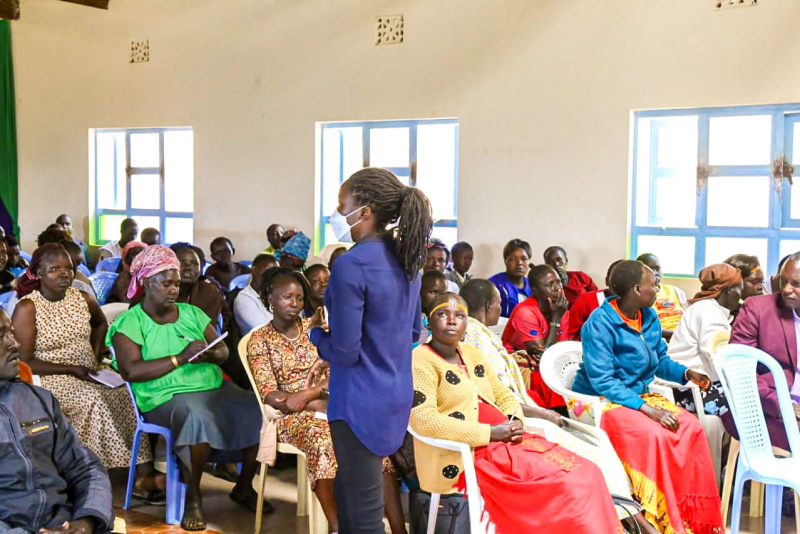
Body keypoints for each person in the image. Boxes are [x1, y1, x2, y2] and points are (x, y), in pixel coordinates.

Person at [410, 293, 623, 534]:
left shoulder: (470, 353)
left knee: (588, 472)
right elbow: (423, 420)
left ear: (466, 322)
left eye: (459, 315)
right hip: (468, 453)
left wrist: (513, 421)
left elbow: (505, 396)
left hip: (508, 442)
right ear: (428, 321)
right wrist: (489, 433)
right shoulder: (420, 361)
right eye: (442, 314)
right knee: (567, 484)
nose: (451, 321)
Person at [108, 245, 266, 531]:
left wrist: (211, 353)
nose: (173, 289)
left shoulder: (191, 313)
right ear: (146, 282)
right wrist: (180, 358)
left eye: (176, 283)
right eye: (166, 283)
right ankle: (193, 497)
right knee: (197, 416)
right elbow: (131, 370)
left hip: (211, 387)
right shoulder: (129, 322)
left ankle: (243, 486)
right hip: (162, 396)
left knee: (260, 412)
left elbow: (222, 352)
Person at [308, 168, 430, 533]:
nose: (335, 212)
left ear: (364, 211)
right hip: (394, 394)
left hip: (358, 400)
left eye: (341, 205)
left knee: (362, 515)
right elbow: (412, 332)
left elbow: (345, 353)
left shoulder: (351, 264)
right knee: (348, 495)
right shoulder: (408, 260)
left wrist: (316, 336)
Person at [571, 260, 723, 533]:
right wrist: (647, 409)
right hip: (600, 400)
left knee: (692, 428)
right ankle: (655, 516)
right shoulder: (600, 323)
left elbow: (660, 361)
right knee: (655, 435)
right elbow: (603, 381)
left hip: (635, 396)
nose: (657, 288)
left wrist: (687, 373)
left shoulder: (649, 316)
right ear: (636, 288)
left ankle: (686, 512)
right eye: (653, 284)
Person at [11, 244, 164, 500]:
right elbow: (24, 361)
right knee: (93, 401)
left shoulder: (82, 298)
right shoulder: (28, 307)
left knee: (125, 396)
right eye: (54, 269)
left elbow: (100, 324)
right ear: (37, 273)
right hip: (49, 377)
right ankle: (94, 476)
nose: (64, 275)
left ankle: (141, 472)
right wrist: (71, 367)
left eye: (68, 269)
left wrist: (93, 356)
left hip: (87, 371)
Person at [0, 308, 115, 533]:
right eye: (1, 335)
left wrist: (87, 521)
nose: (15, 344)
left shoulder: (38, 399)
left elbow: (85, 467)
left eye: (11, 333)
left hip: (62, 524)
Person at [729, 252, 800, 450]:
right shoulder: (758, 309)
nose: (786, 289)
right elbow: (739, 369)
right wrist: (782, 405)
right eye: (783, 281)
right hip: (766, 410)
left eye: (796, 284)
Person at [667, 264, 742, 416]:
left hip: (695, 385)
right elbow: (720, 360)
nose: (740, 295)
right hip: (689, 391)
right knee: (750, 403)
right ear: (729, 290)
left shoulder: (708, 308)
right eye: (739, 289)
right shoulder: (709, 312)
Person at [502, 265, 568, 411]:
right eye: (550, 285)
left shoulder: (561, 309)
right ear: (535, 291)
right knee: (549, 384)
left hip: (544, 366)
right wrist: (556, 318)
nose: (557, 288)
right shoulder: (525, 312)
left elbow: (560, 351)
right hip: (521, 367)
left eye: (558, 282)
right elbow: (545, 356)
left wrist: (558, 316)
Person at [168, 244, 230, 329]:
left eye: (194, 264)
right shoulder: (160, 292)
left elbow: (207, 329)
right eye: (182, 262)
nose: (188, 267)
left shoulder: (209, 292)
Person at [568, 259, 624, 340]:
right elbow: (567, 333)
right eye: (616, 279)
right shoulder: (586, 300)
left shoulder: (637, 305)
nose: (620, 284)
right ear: (607, 281)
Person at [637, 252, 687, 340]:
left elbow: (688, 316)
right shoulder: (638, 294)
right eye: (650, 269)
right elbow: (645, 328)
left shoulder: (674, 291)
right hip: (661, 339)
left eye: (657, 269)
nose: (655, 273)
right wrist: (676, 335)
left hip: (684, 335)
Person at [234, 254, 278, 334]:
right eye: (267, 272)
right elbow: (265, 330)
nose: (271, 276)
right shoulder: (244, 298)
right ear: (254, 270)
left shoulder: (274, 295)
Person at [489, 239, 532, 318]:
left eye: (524, 259)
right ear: (506, 261)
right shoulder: (494, 284)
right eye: (513, 259)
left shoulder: (533, 285)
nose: (519, 263)